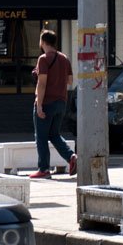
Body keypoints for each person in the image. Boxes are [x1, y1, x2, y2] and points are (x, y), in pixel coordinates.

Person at [29, 29, 77, 179]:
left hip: (47, 102)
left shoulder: (43, 59)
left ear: (43, 42)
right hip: (61, 102)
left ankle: (44, 169)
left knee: (41, 137)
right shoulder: (64, 58)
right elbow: (70, 81)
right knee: (54, 134)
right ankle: (71, 157)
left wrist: (40, 104)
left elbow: (42, 84)